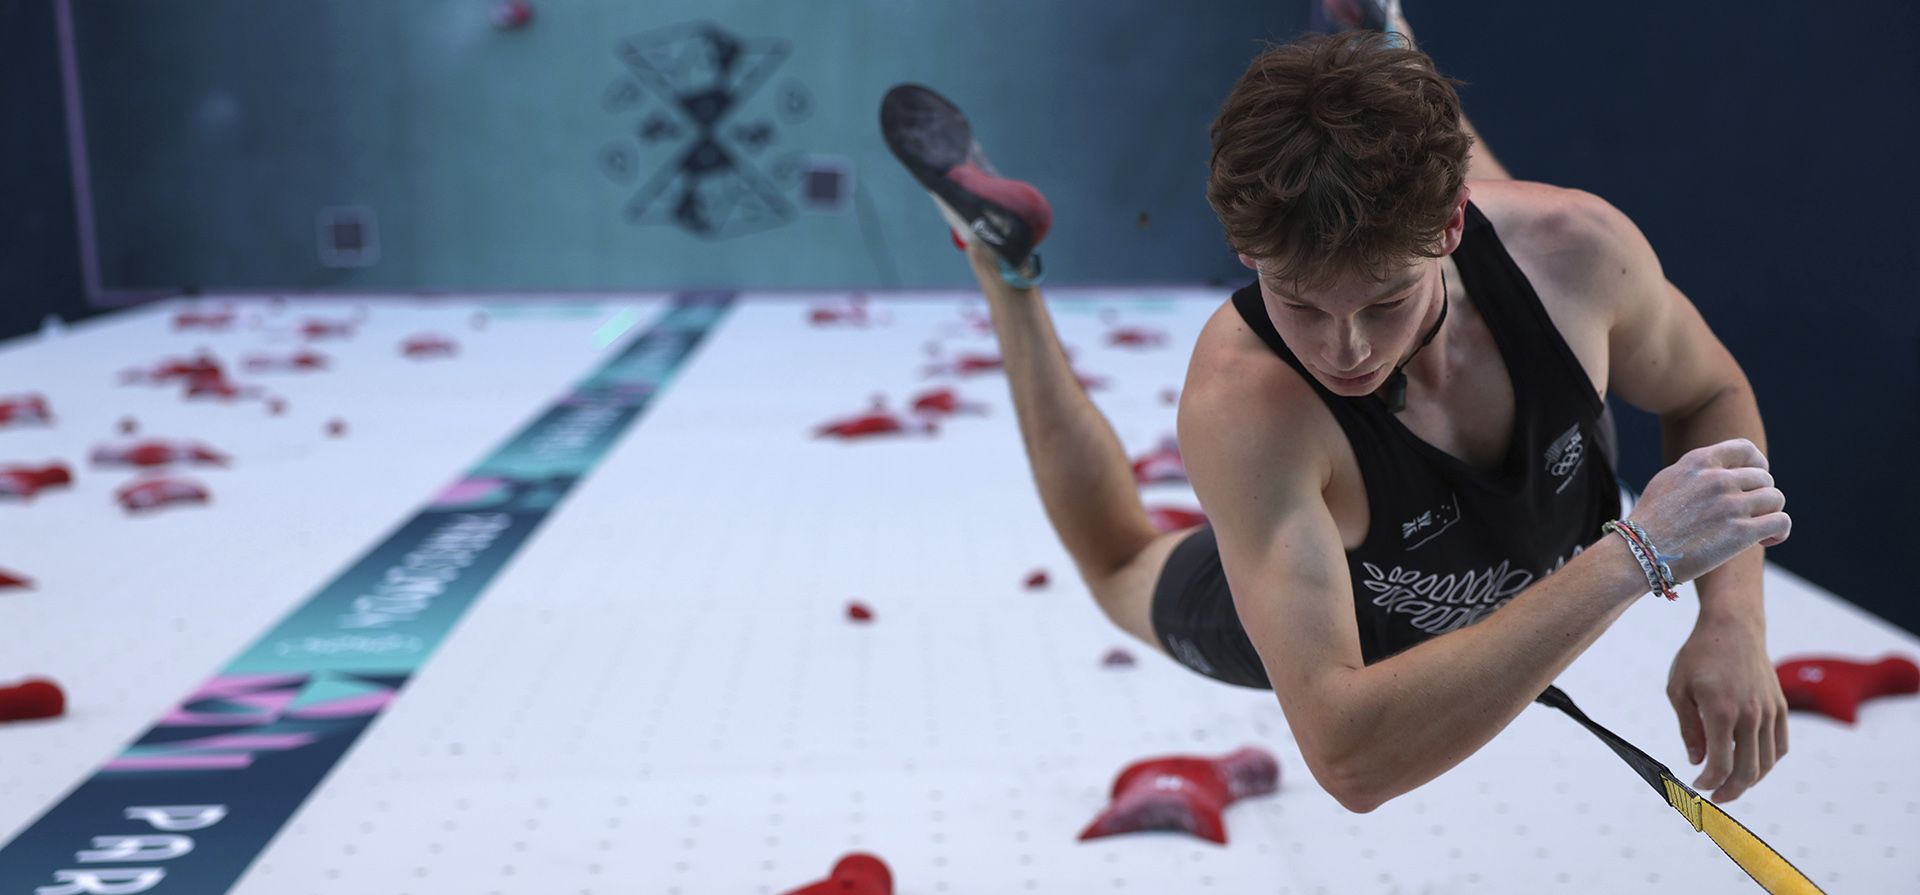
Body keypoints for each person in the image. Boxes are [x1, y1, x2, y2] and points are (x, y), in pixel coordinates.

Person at [881, 10, 1790, 814]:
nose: (1344, 350)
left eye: (1382, 301)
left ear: (1446, 229)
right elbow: (1351, 761)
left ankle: (1391, 54)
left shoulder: (1580, 249)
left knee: (1531, 263)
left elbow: (1708, 391)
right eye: (1301, 304)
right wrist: (1633, 557)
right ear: (1246, 252)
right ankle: (1005, 272)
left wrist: (1733, 620)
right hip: (1339, 595)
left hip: (1501, 315)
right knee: (1117, 560)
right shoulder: (1247, 400)